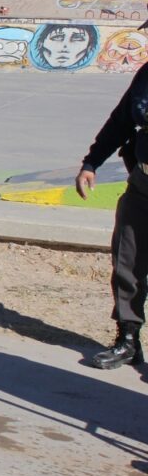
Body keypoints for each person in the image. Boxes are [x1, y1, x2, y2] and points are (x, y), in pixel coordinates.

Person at [75, 60, 148, 370]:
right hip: (142, 185)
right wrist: (92, 162)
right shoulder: (146, 74)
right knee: (126, 262)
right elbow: (120, 120)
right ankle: (128, 340)